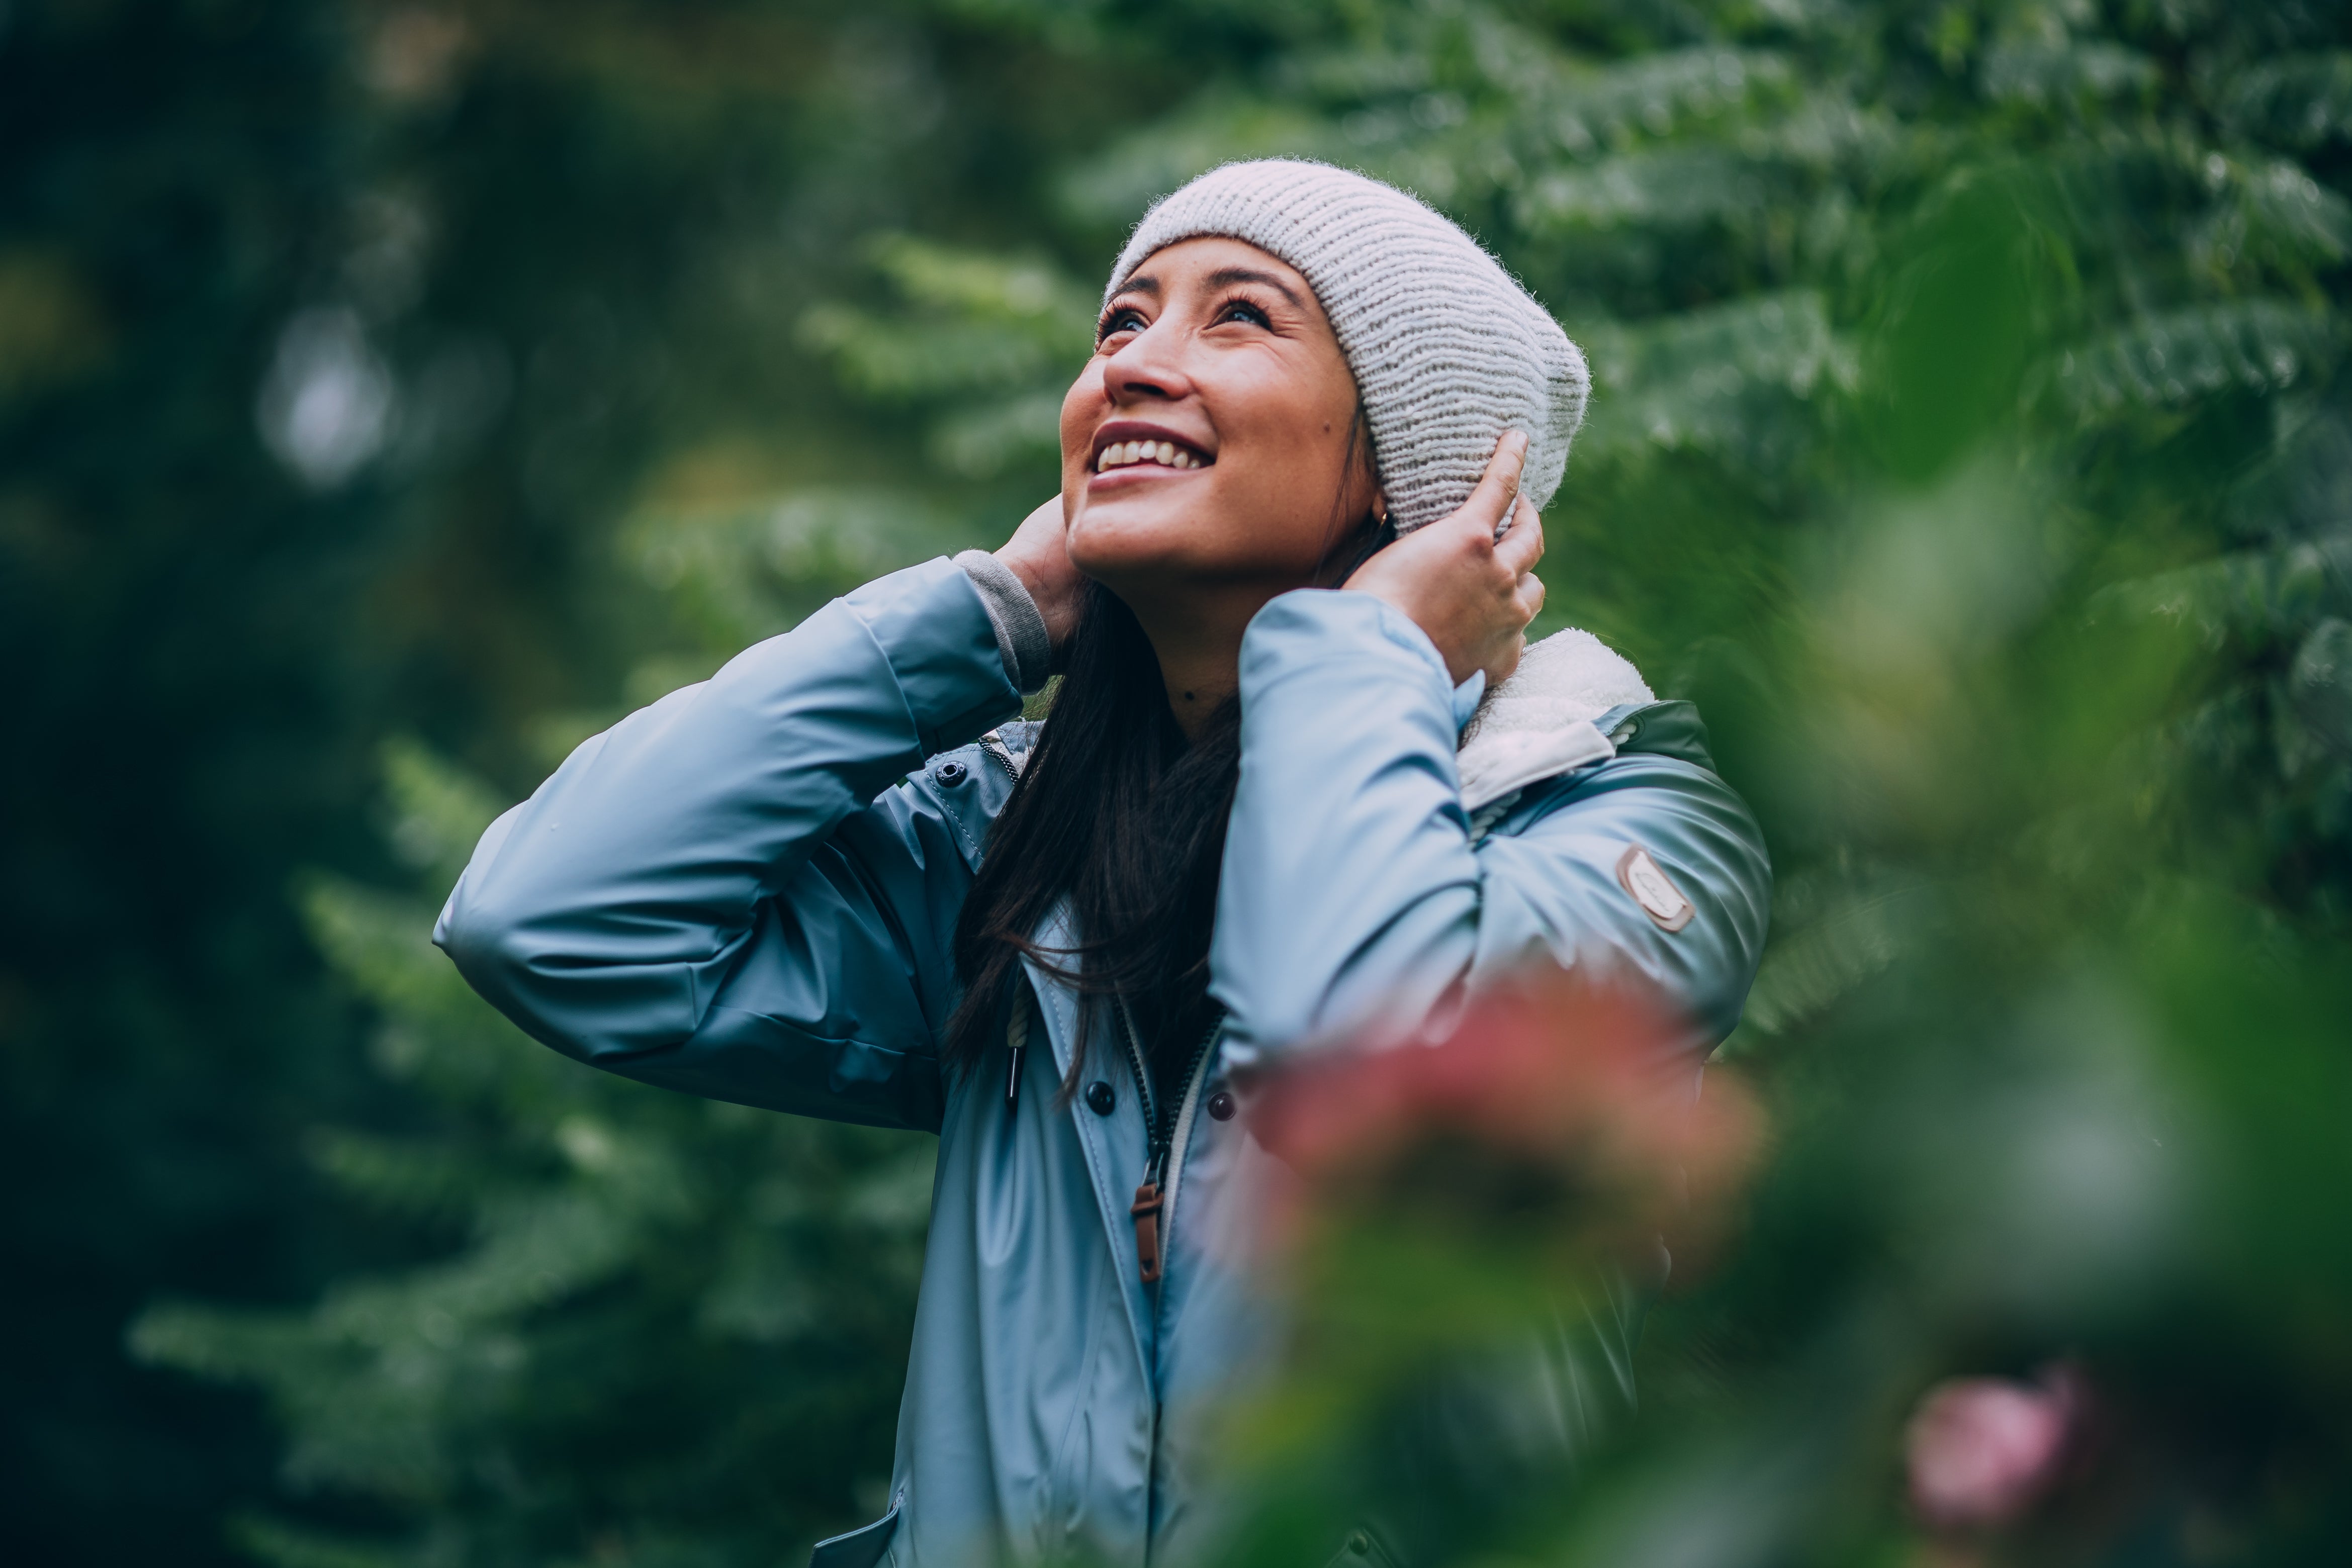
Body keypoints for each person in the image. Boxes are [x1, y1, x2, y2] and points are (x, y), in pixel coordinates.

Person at [435, 159, 1772, 1567]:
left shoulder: (1618, 826)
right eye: (1122, 324)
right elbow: (550, 921)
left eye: (1239, 317)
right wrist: (992, 620)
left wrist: (1366, 651)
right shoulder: (1010, 855)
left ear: (1416, 469)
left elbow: (1356, 1053)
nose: (1135, 366)